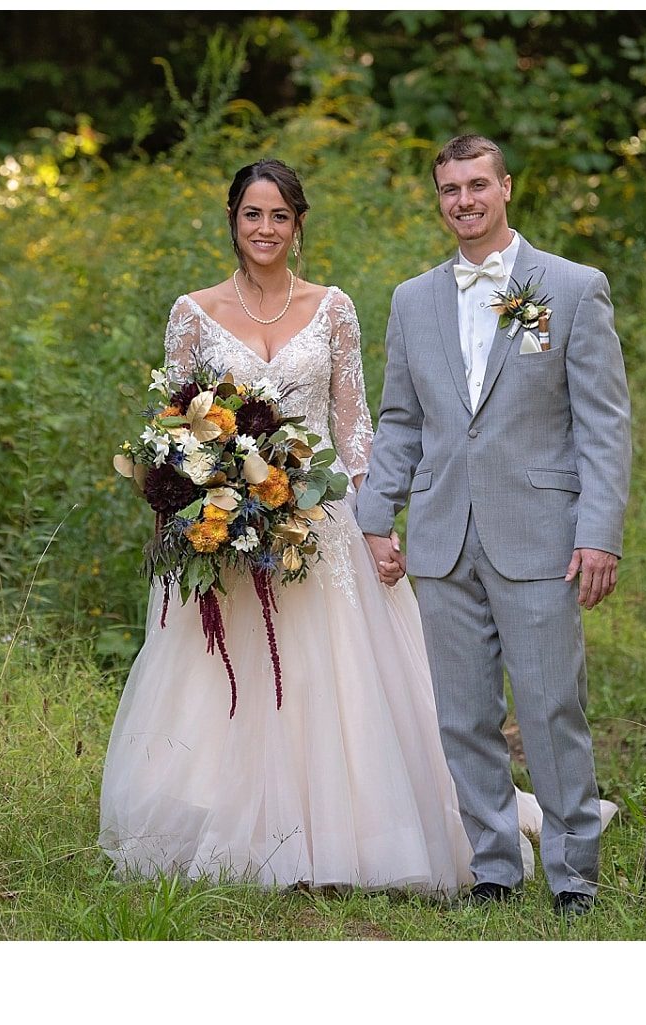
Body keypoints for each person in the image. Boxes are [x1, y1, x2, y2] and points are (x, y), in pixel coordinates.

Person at [98, 159, 482, 893]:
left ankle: (346, 830)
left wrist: (377, 527)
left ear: (298, 224)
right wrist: (195, 502)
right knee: (225, 679)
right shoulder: (193, 311)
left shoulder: (334, 307)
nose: (265, 229)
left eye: (279, 216)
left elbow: (353, 424)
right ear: (233, 221)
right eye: (252, 214)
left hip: (321, 523)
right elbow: (172, 427)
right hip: (224, 528)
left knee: (327, 677)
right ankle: (223, 823)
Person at [357, 134, 633, 917]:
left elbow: (604, 425)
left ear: (506, 187)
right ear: (439, 198)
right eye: (450, 189)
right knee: (463, 713)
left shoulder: (572, 289)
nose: (464, 201)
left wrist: (600, 530)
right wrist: (377, 516)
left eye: (478, 185)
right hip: (443, 537)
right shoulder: (413, 300)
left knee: (551, 707)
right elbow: (401, 419)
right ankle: (494, 866)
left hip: (542, 534)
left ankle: (575, 876)